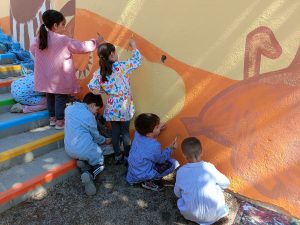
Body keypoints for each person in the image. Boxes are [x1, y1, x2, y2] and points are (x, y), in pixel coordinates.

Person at [30, 9, 100, 130]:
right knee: (60, 98)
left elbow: (33, 51)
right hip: (59, 77)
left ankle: (52, 119)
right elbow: (81, 47)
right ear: (55, 25)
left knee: (50, 96)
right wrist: (96, 41)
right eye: (63, 24)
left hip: (45, 76)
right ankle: (59, 122)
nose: (64, 27)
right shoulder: (63, 40)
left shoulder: (38, 38)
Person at [88, 38, 142, 164]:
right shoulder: (122, 67)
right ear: (112, 54)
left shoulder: (99, 73)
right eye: (116, 52)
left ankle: (117, 155)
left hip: (112, 107)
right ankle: (128, 156)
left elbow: (91, 87)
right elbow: (136, 61)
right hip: (124, 106)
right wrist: (133, 46)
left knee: (115, 132)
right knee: (125, 132)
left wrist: (103, 91)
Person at [64, 93, 112, 195]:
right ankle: (89, 174)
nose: (96, 112)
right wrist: (105, 140)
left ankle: (84, 164)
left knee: (86, 152)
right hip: (83, 149)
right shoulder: (89, 117)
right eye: (97, 109)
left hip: (68, 148)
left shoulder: (69, 109)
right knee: (99, 161)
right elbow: (96, 137)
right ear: (92, 105)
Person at [174, 137, 230, 225]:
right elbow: (226, 183)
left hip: (190, 215)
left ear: (184, 155)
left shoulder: (181, 171)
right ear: (202, 152)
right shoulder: (209, 168)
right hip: (214, 215)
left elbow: (177, 194)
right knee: (217, 186)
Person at [126, 113, 179, 191]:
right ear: (149, 133)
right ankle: (149, 181)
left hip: (133, 171)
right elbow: (161, 160)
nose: (159, 126)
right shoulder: (154, 145)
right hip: (143, 174)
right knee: (174, 163)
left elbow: (148, 138)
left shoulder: (138, 133)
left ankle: (140, 179)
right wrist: (170, 148)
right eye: (157, 127)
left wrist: (157, 129)